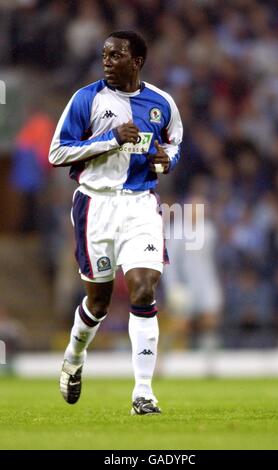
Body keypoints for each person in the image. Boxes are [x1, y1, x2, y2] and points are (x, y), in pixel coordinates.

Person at [49, 30, 183, 415]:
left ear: (136, 61)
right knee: (99, 301)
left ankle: (143, 392)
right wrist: (111, 139)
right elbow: (57, 151)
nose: (107, 60)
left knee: (142, 289)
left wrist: (166, 160)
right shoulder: (86, 99)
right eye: (104, 54)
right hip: (96, 206)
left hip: (140, 203)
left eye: (116, 55)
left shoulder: (162, 103)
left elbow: (174, 142)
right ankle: (74, 357)